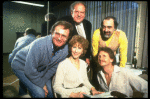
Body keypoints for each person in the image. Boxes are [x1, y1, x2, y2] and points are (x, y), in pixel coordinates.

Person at [11, 21, 73, 98]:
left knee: (50, 92)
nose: (59, 38)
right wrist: (41, 85)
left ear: (68, 38)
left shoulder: (65, 50)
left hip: (39, 68)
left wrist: (42, 83)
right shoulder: (39, 44)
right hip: (21, 66)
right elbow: (29, 70)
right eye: (57, 33)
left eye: (64, 36)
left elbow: (52, 68)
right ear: (52, 32)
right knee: (40, 93)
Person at [58, 1, 91, 66]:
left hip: (83, 60)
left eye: (82, 12)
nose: (79, 15)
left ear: (84, 14)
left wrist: (87, 57)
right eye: (76, 12)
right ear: (71, 12)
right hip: (68, 60)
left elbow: (88, 41)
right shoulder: (65, 23)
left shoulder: (88, 24)